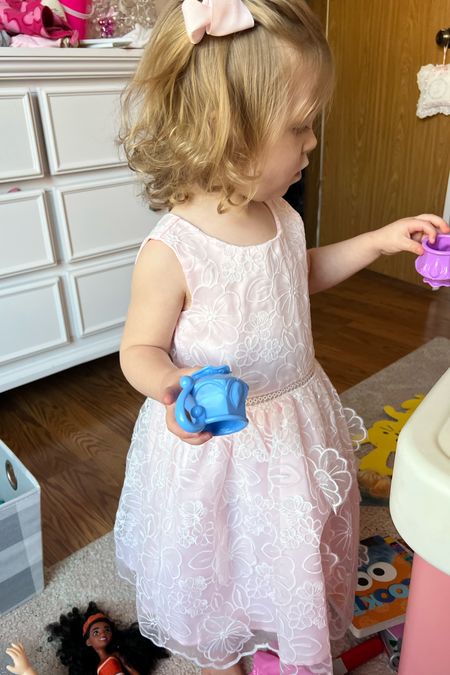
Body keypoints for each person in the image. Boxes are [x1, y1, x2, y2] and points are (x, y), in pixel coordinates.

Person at [114, 1, 449, 674]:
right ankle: (223, 657)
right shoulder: (173, 249)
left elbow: (300, 276)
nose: (312, 143)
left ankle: (279, 630)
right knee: (222, 561)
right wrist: (169, 386)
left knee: (290, 545)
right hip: (221, 449)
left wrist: (380, 241)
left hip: (294, 422)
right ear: (227, 133)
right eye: (299, 127)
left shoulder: (280, 216)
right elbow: (138, 350)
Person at [45, 601, 169, 674]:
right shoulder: (97, 668)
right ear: (88, 642)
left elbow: (132, 671)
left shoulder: (116, 654)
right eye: (96, 633)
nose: (103, 634)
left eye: (107, 630)